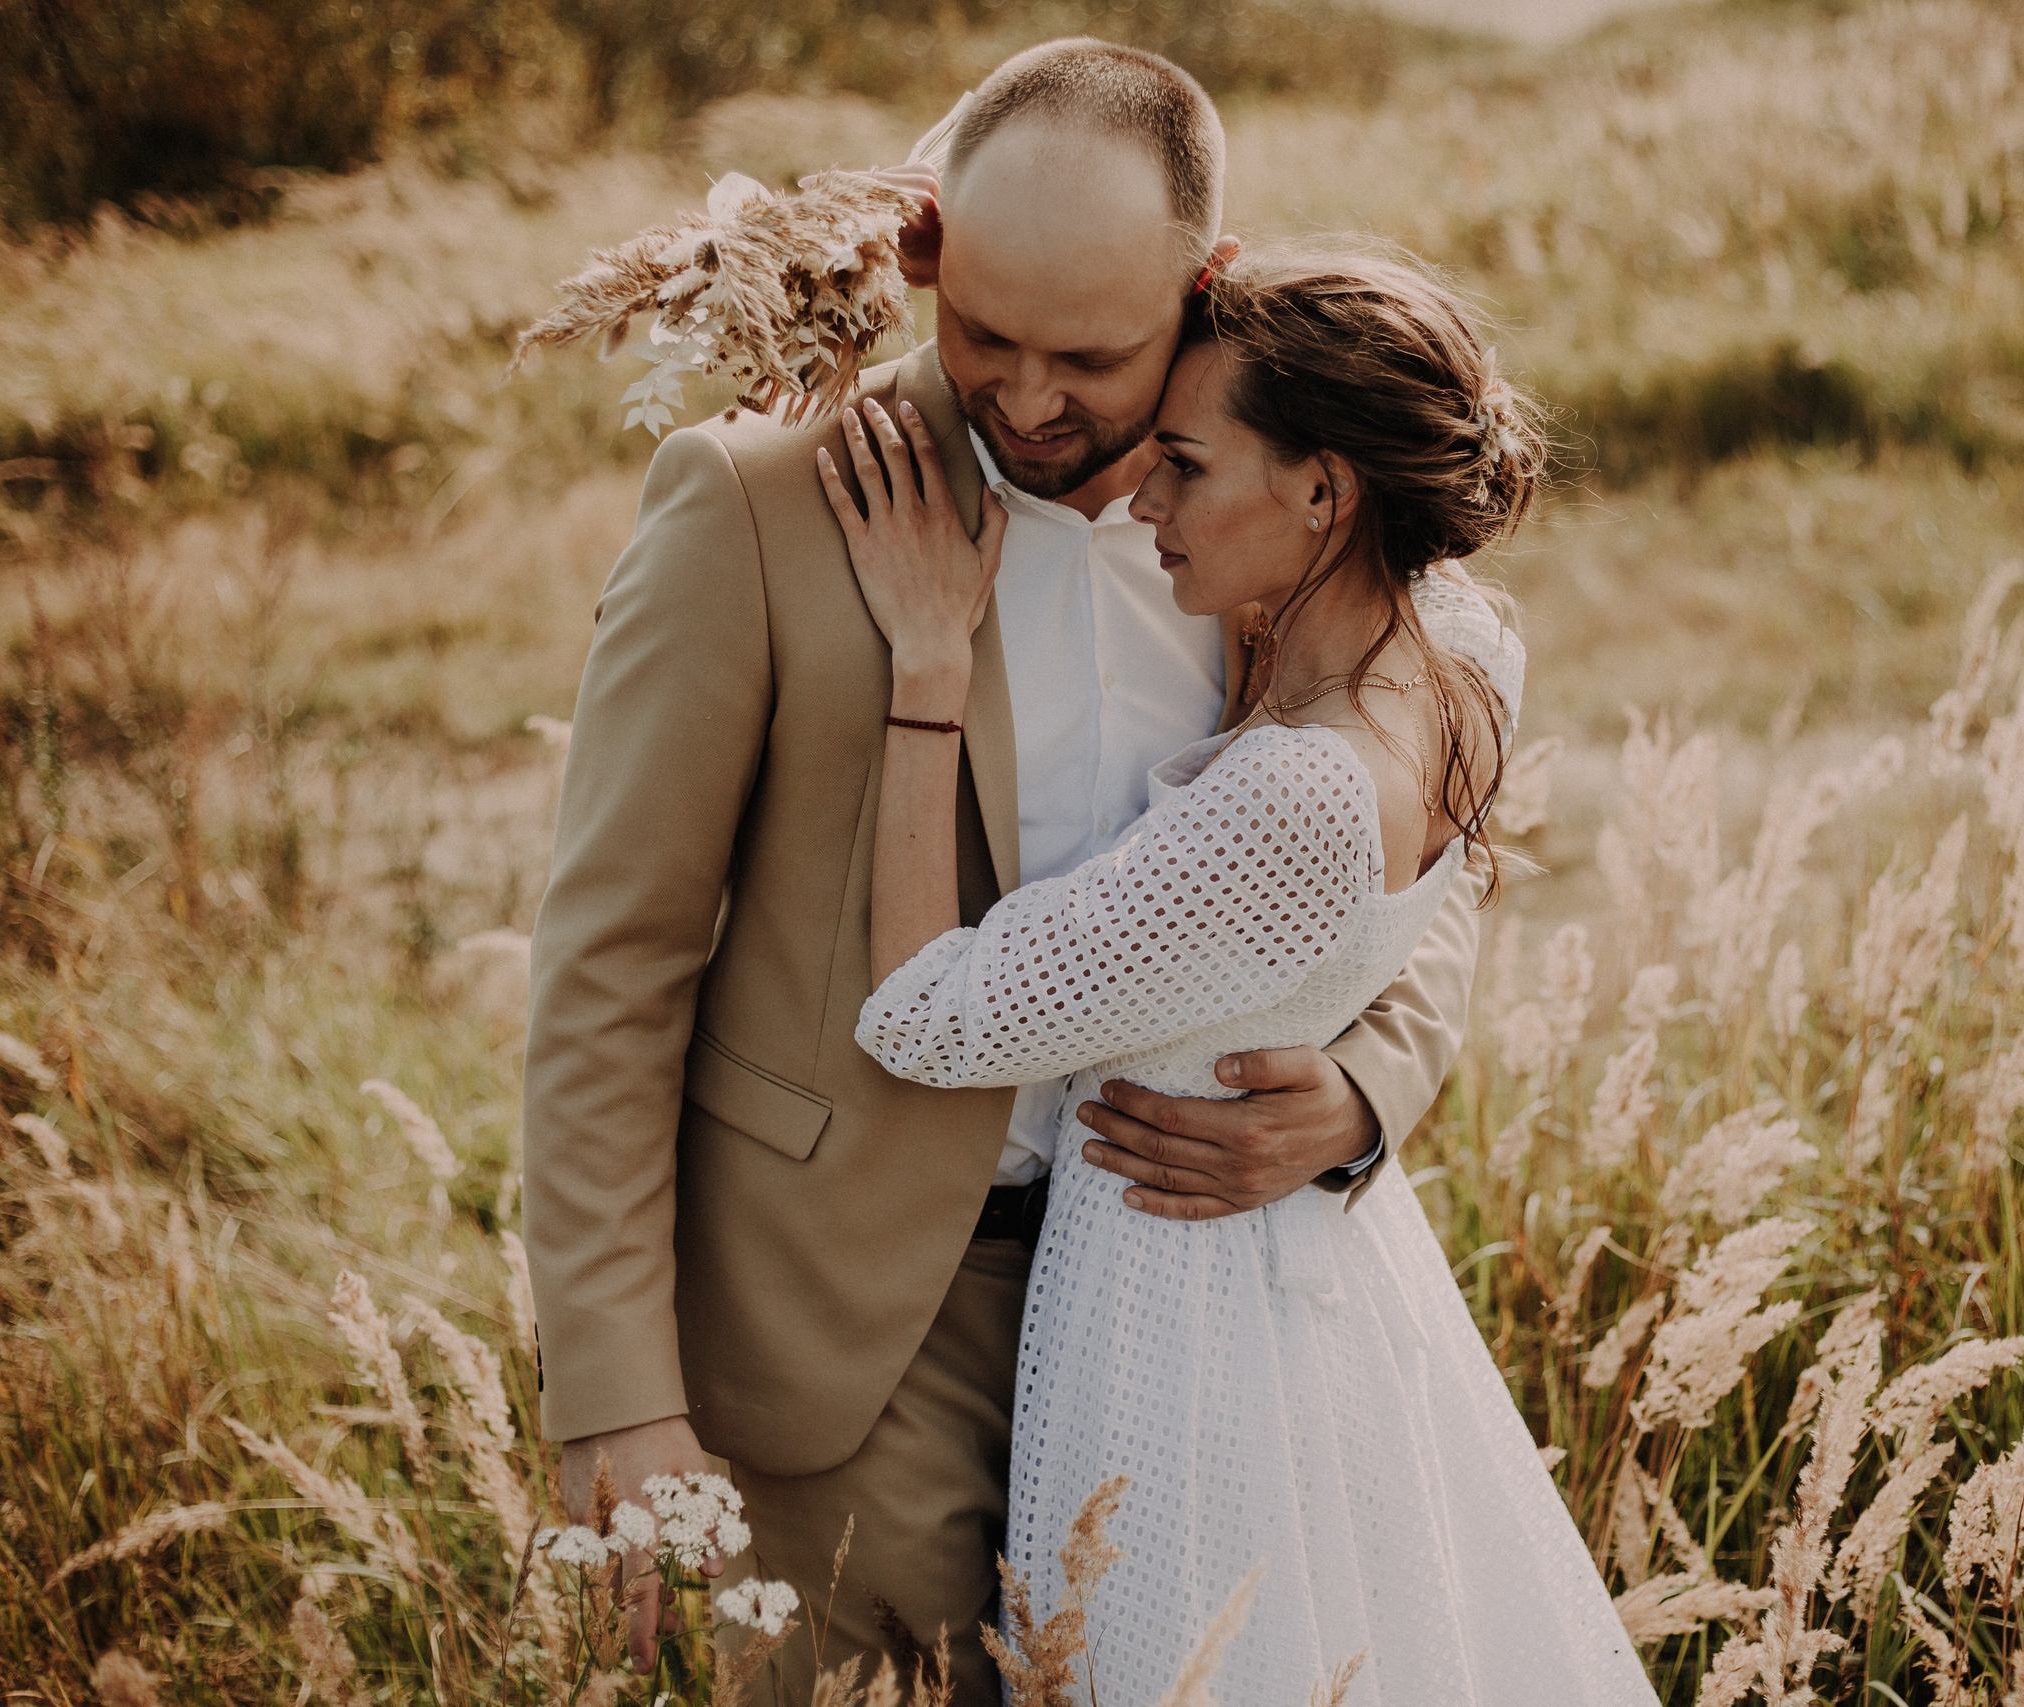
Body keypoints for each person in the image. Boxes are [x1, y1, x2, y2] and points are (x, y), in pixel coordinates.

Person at [520, 40, 1482, 1699]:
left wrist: (1368, 1086)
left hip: (1189, 1325)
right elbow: (613, 967)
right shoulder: (757, 505)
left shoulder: (1281, 513)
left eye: (1092, 358)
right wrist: (615, 1390)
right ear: (925, 257)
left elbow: (1428, 827)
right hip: (848, 1348)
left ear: (1209, 284)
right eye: (983, 336)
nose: (1029, 402)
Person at [829, 247, 1660, 1703]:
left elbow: (926, 1015)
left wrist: (923, 666)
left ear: (1326, 492)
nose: (1144, 499)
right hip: (1318, 1281)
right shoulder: (1462, 649)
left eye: (1188, 468)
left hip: (1177, 1321)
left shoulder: (1289, 802)